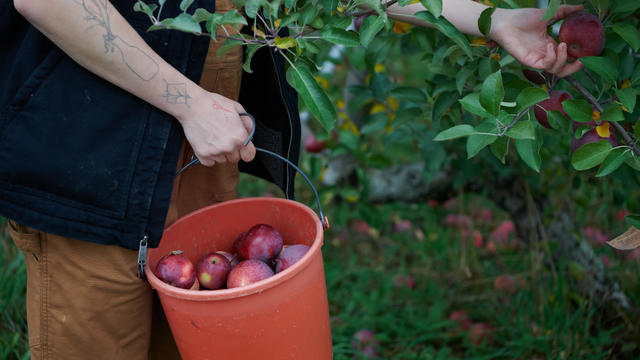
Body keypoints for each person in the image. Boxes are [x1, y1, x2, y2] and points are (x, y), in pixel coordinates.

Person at [0, 0, 582, 358]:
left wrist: (490, 19)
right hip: (86, 163)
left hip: (194, 159)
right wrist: (190, 104)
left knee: (194, 340)